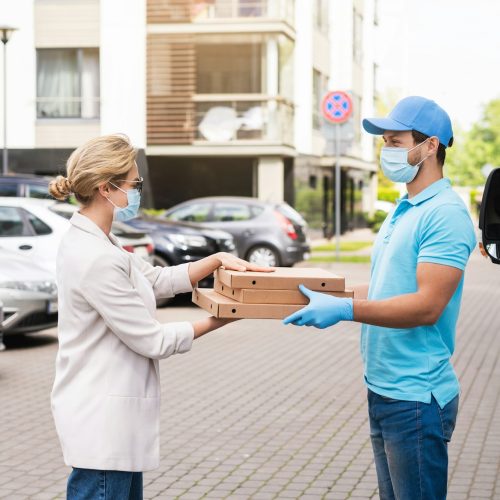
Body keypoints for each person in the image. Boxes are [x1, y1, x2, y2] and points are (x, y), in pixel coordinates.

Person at [49, 134, 271, 500]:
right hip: (101, 423)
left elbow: (153, 279)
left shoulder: (101, 242)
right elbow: (152, 340)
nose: (137, 191)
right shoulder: (95, 256)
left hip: (109, 420)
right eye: (133, 183)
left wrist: (213, 261)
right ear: (106, 188)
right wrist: (225, 316)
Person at [283, 96, 476, 499]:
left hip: (417, 398)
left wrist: (346, 310)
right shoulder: (404, 208)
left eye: (394, 141)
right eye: (384, 142)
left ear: (430, 146)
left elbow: (426, 306)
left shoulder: (444, 214)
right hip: (384, 388)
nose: (386, 151)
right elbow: (389, 285)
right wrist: (323, 295)